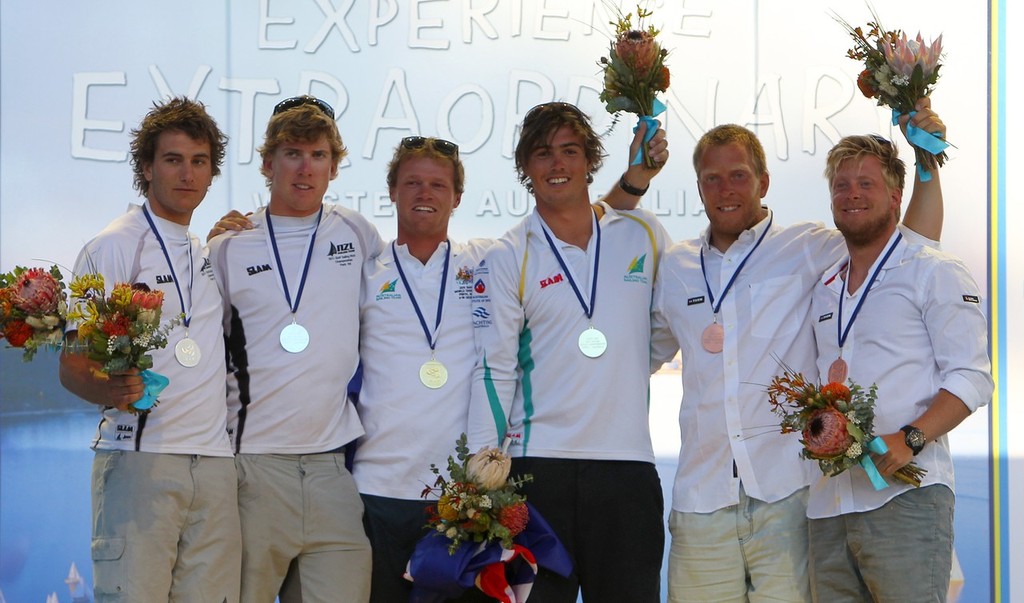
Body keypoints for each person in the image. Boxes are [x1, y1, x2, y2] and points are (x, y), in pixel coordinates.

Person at [649, 98, 946, 602]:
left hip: (787, 496)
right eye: (711, 179)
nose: (725, 190)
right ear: (697, 187)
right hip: (701, 498)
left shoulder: (809, 246)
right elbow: (640, 354)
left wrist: (926, 163)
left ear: (764, 182)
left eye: (739, 175)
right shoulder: (675, 268)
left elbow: (910, 247)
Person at [355, 122, 667, 602]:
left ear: (458, 196)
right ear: (392, 190)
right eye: (413, 183)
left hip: (458, 495)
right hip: (379, 492)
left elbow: (580, 215)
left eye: (438, 184)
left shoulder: (484, 258)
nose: (425, 194)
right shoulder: (364, 266)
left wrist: (632, 184)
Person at [466, 101, 670, 602]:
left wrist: (620, 362)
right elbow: (494, 368)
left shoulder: (641, 233)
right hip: (539, 473)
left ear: (589, 160)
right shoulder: (510, 253)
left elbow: (665, 329)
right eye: (542, 154)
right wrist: (482, 470)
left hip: (627, 468)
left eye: (569, 151)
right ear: (525, 167)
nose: (557, 164)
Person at [59, 97, 240, 603]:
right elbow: (72, 365)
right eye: (173, 159)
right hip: (141, 463)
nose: (188, 174)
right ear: (146, 167)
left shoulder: (206, 252)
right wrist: (110, 387)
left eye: (199, 162)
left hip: (216, 466)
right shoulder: (112, 246)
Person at [206, 96, 381, 602]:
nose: (306, 168)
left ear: (334, 165)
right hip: (252, 470)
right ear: (267, 163)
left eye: (319, 155)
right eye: (292, 154)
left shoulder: (357, 232)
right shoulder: (228, 246)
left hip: (332, 469)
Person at [805, 134, 992, 602]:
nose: (851, 194)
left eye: (865, 183)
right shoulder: (825, 285)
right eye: (841, 185)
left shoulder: (934, 270)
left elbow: (973, 377)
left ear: (895, 196)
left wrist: (910, 439)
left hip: (906, 498)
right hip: (830, 504)